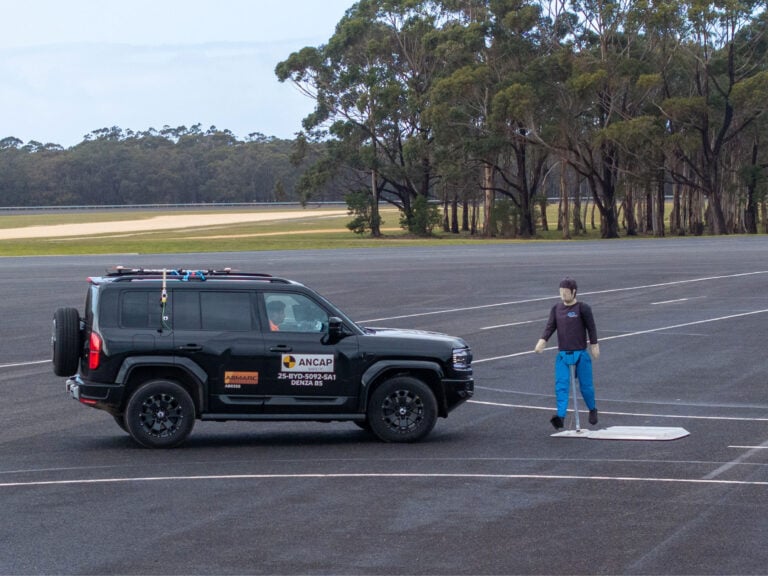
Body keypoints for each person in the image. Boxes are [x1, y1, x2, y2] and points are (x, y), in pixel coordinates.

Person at [534, 277, 600, 430]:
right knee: (561, 385)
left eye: (566, 291)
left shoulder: (583, 308)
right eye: (561, 291)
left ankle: (592, 409)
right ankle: (561, 416)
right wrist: (543, 340)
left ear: (574, 292)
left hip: (580, 353)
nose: (563, 294)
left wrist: (594, 344)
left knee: (586, 385)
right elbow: (550, 327)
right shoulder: (556, 309)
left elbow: (591, 328)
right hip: (563, 354)